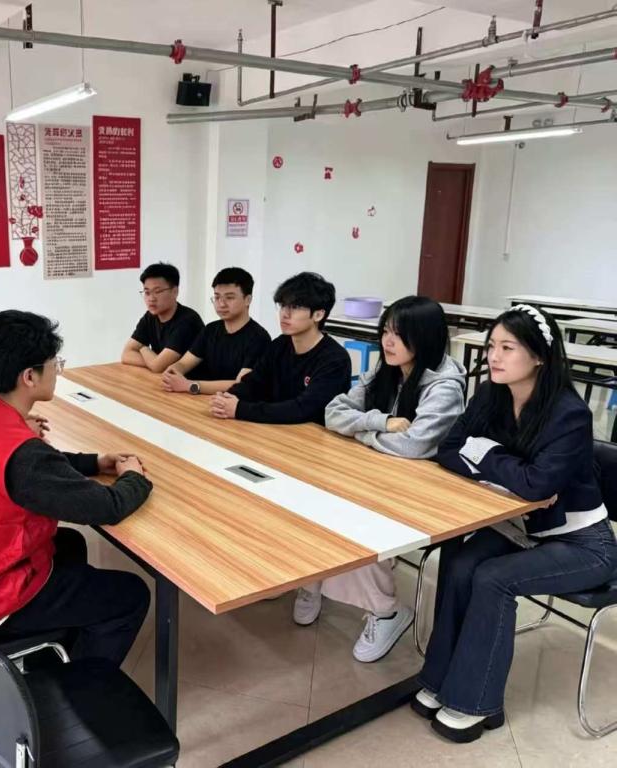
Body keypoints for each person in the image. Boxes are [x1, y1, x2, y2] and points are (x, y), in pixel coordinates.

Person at [413, 305, 617, 743]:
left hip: (583, 543)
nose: (493, 356)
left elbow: (537, 484)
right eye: (491, 346)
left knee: (493, 579)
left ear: (539, 356)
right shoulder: (491, 394)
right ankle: (441, 677)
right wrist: (509, 469)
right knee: (459, 560)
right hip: (522, 527)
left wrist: (485, 453)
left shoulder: (568, 413)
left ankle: (475, 702)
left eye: (508, 347)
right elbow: (448, 449)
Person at [0, 310, 153, 666]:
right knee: (131, 594)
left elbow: (35, 464)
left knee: (70, 544)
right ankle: (79, 688)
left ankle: (56, 652)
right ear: (29, 377)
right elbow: (106, 507)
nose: (57, 371)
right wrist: (134, 478)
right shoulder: (25, 457)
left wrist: (95, 462)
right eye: (54, 364)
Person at [297, 297, 466, 661]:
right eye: (385, 331)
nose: (387, 341)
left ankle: (386, 611)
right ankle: (313, 579)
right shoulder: (386, 370)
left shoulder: (444, 386)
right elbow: (332, 413)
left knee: (355, 518)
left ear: (425, 337)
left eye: (399, 334)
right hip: (378, 473)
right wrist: (380, 422)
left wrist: (359, 432)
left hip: (422, 492)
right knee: (310, 495)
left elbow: (414, 445)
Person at [210, 271, 350, 424]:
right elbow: (253, 382)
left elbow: (303, 409)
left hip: (312, 434)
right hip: (276, 428)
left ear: (318, 315)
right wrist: (227, 398)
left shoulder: (335, 359)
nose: (285, 314)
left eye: (295, 307)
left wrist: (239, 409)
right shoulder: (280, 344)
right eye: (283, 305)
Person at [161, 267, 270, 396]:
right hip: (203, 400)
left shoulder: (259, 338)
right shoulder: (211, 330)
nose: (221, 304)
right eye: (217, 297)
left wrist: (191, 386)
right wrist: (173, 371)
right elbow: (184, 363)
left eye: (229, 298)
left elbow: (241, 384)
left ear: (248, 300)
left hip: (233, 403)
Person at [122, 262, 204, 373]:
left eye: (157, 291)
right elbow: (126, 355)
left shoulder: (188, 321)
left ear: (175, 292)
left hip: (191, 381)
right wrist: (152, 362)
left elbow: (158, 366)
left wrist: (143, 348)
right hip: (164, 378)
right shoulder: (150, 316)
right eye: (147, 292)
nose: (151, 298)